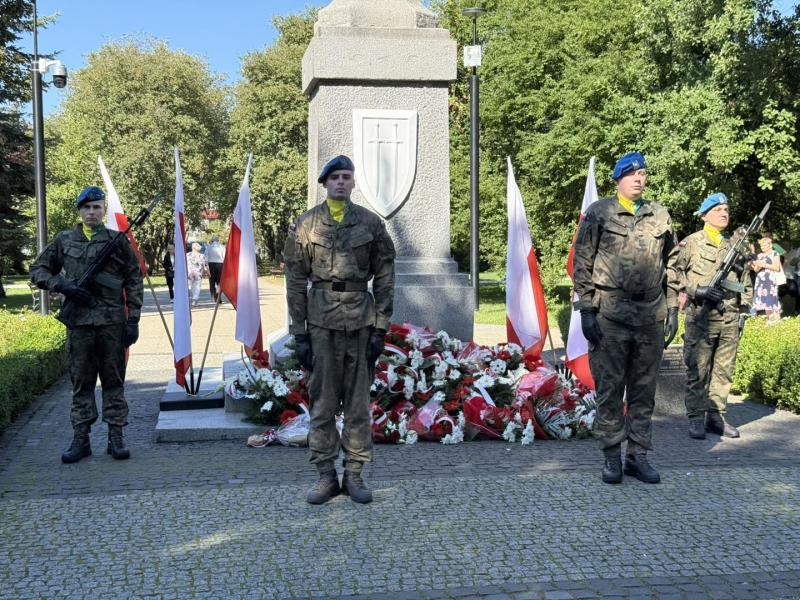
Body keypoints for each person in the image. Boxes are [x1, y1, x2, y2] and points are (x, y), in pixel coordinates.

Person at [283, 155, 395, 505]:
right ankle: (326, 476)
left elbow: (386, 275)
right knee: (323, 403)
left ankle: (355, 474)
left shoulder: (370, 223)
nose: (341, 182)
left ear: (352, 182)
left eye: (347, 177)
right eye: (335, 178)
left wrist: (380, 326)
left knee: (359, 404)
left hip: (360, 321)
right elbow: (295, 279)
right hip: (321, 324)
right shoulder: (305, 225)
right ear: (325, 183)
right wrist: (299, 333)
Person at [573, 151, 678, 485]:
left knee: (644, 391)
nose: (638, 179)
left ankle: (638, 455)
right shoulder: (599, 213)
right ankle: (611, 457)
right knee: (610, 388)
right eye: (631, 174)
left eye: (643, 174)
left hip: (650, 314)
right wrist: (587, 310)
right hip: (611, 315)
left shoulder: (659, 215)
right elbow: (582, 263)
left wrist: (673, 308)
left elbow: (672, 265)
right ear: (618, 178)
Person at [30, 186, 143, 463]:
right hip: (79, 323)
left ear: (104, 210)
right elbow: (38, 270)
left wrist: (133, 319)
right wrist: (64, 286)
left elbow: (134, 279)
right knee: (81, 383)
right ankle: (81, 440)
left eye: (96, 207)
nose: (91, 212)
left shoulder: (117, 241)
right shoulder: (64, 240)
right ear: (79, 211)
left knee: (113, 381)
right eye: (86, 208)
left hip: (111, 325)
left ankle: (116, 438)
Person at [667, 193, 751, 440]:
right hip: (701, 318)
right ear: (705, 215)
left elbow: (744, 281)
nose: (724, 213)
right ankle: (695, 417)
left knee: (724, 371)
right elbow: (671, 273)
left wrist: (744, 310)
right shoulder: (691, 243)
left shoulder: (735, 246)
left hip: (729, 316)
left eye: (726, 209)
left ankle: (716, 416)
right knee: (698, 370)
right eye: (718, 210)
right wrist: (696, 289)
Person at [751, 232, 782, 324]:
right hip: (760, 280)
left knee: (771, 298)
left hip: (770, 280)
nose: (762, 247)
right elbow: (756, 270)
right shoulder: (759, 255)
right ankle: (769, 319)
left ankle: (776, 319)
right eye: (761, 246)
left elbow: (776, 268)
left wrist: (764, 264)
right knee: (763, 299)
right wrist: (757, 266)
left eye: (764, 245)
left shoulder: (775, 253)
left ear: (770, 245)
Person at [186, 242, 208, 306]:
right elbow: (205, 265)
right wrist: (207, 272)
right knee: (197, 286)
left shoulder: (187, 255)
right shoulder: (202, 255)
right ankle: (195, 299)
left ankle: (194, 298)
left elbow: (185, 263)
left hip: (190, 272)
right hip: (198, 273)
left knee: (192, 286)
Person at [205, 235, 225, 302]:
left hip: (211, 265)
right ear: (218, 240)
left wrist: (207, 269)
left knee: (212, 282)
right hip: (220, 265)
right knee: (219, 282)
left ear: (212, 240)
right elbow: (224, 257)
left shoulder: (209, 247)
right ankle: (218, 295)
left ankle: (213, 297)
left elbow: (206, 259)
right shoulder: (222, 247)